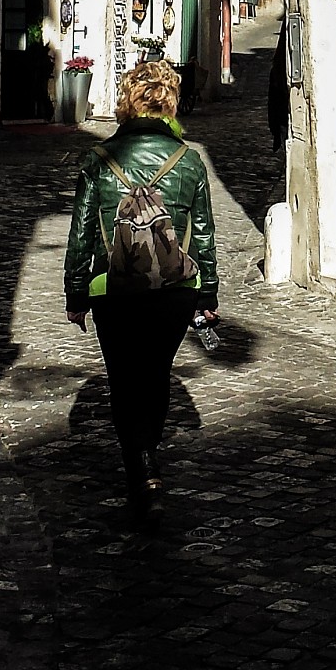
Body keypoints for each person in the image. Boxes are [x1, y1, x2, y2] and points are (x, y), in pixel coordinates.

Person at [64, 58, 218, 511]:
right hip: (174, 292)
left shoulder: (98, 161)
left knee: (124, 377)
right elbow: (205, 235)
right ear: (169, 104)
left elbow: (81, 234)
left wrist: (76, 293)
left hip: (114, 289)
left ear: (127, 103)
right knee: (156, 372)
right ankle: (149, 450)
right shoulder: (189, 163)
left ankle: (139, 465)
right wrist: (207, 295)